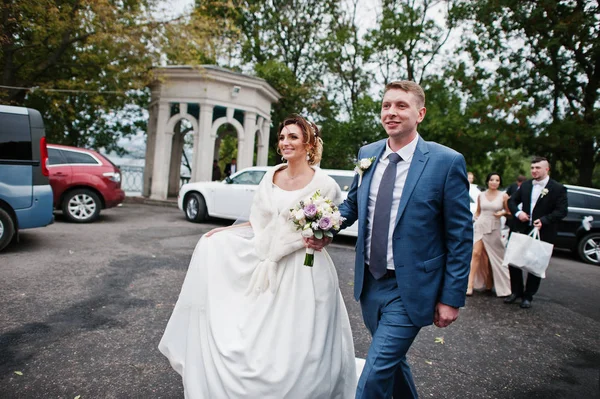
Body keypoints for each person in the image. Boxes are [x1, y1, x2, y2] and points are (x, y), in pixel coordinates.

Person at [158, 115, 357, 398]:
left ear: (309, 144)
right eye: (282, 137)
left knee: (301, 340)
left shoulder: (324, 184)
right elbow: (259, 222)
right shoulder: (271, 175)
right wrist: (225, 233)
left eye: (293, 137)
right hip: (267, 263)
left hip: (304, 269)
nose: (285, 143)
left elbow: (329, 228)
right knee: (256, 335)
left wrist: (322, 237)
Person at [311, 80, 473, 399]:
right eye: (386, 105)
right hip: (370, 284)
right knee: (391, 363)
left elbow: (460, 235)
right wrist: (325, 225)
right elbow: (354, 204)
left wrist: (451, 297)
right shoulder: (368, 154)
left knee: (373, 375)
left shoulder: (446, 162)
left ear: (420, 113)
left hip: (411, 287)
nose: (391, 112)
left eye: (401, 105)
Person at [504, 156, 568, 309]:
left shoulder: (558, 188)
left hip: (543, 231)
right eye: (532, 168)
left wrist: (545, 220)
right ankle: (516, 292)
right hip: (522, 228)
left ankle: (528, 296)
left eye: (537, 168)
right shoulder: (525, 185)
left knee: (535, 263)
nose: (534, 170)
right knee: (514, 261)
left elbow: (562, 211)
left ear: (547, 169)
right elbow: (511, 201)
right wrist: (518, 213)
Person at [467, 172, 511, 297]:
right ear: (487, 181)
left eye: (497, 180)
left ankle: (490, 282)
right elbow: (478, 212)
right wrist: (475, 220)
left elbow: (509, 212)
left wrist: (502, 213)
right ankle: (469, 285)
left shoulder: (503, 196)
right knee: (476, 253)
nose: (494, 182)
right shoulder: (481, 195)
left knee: (492, 257)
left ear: (499, 182)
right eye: (492, 179)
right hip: (480, 225)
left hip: (494, 227)